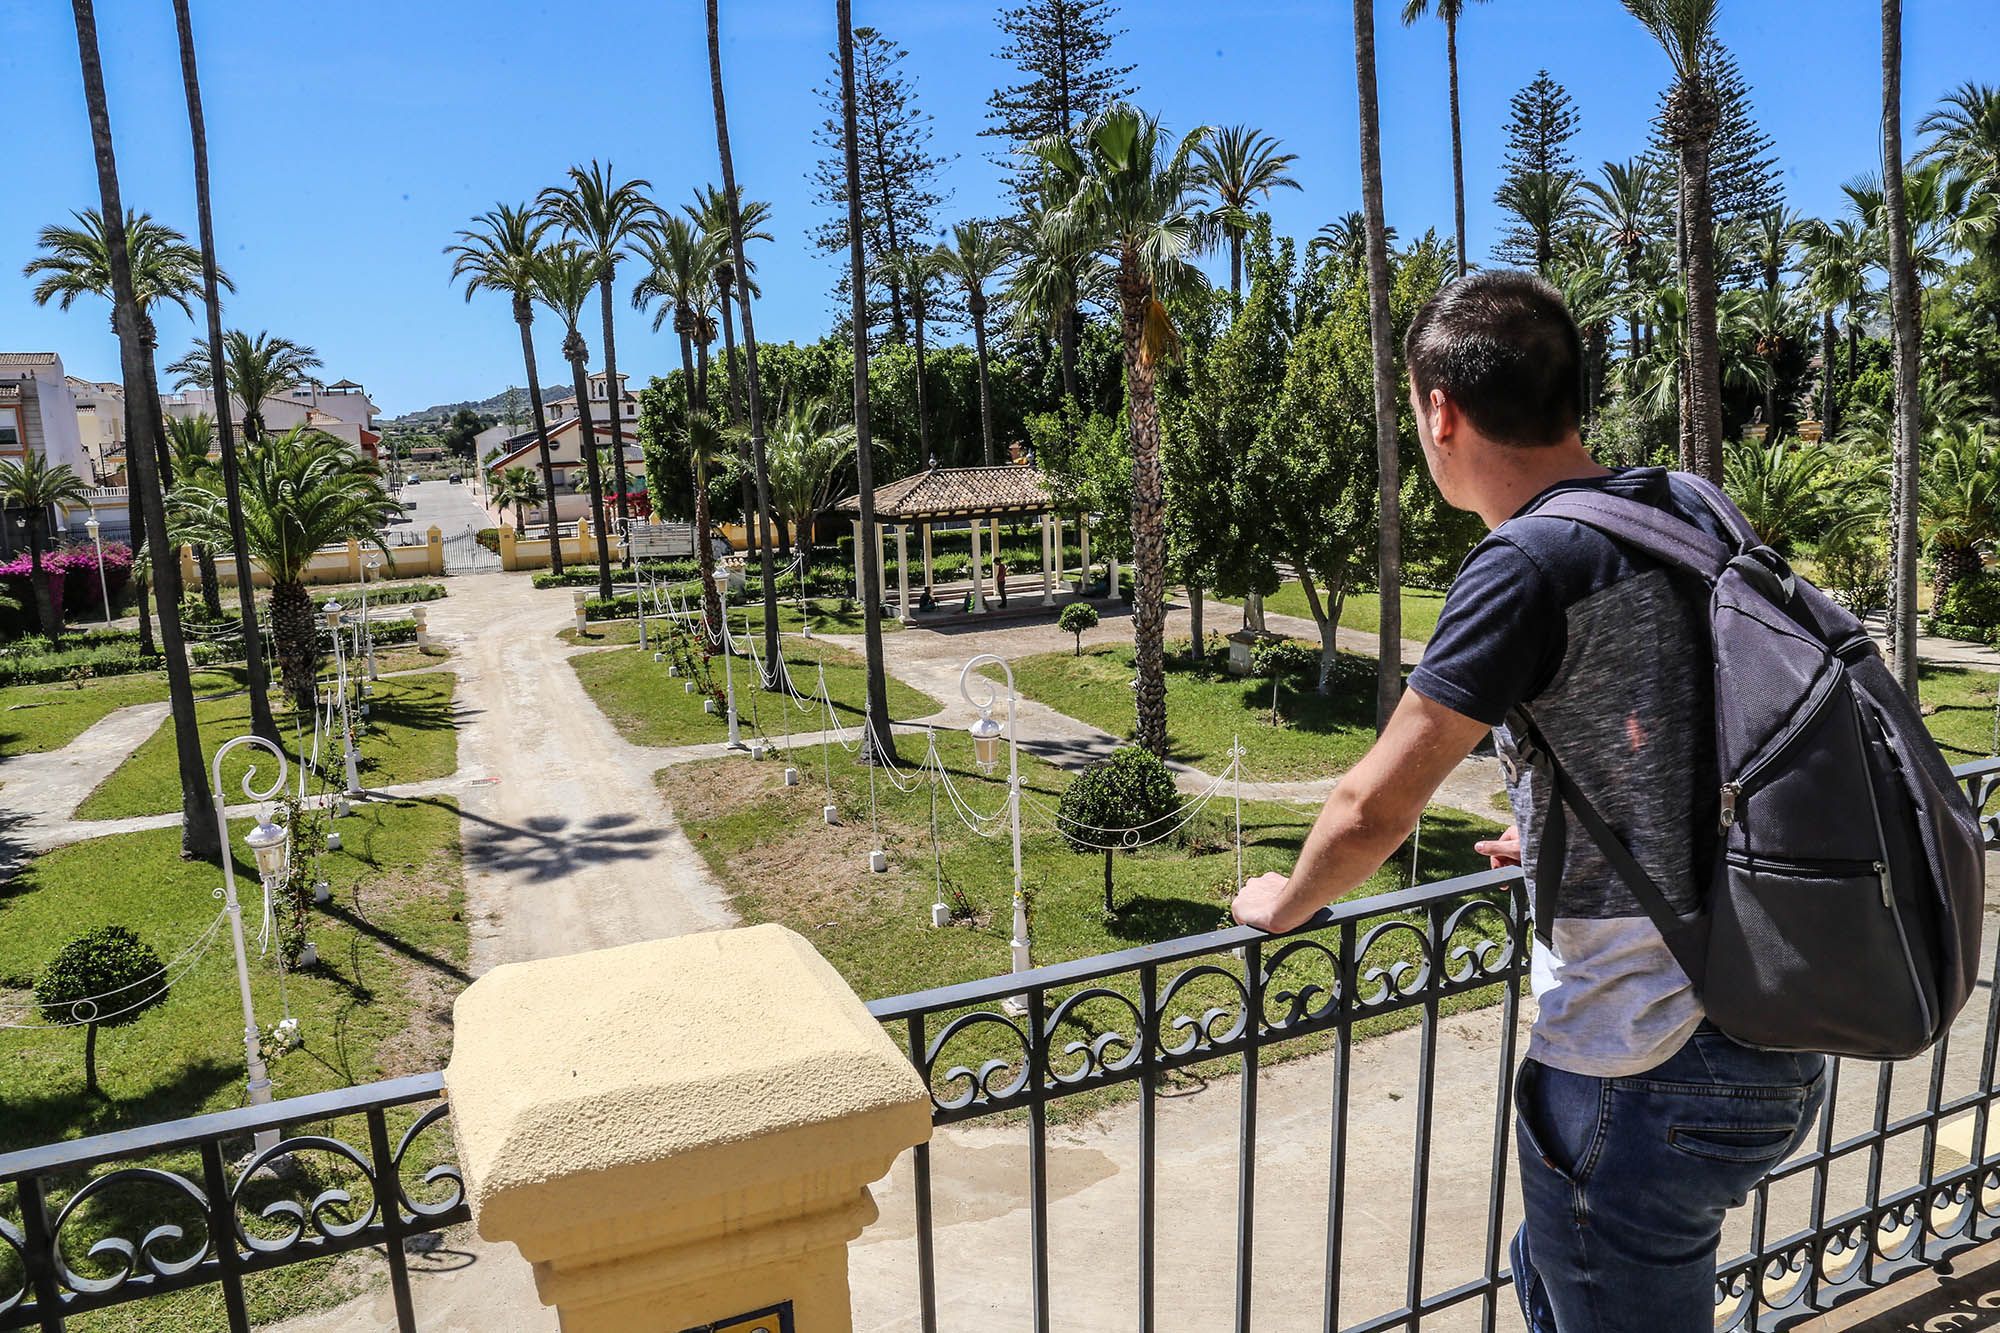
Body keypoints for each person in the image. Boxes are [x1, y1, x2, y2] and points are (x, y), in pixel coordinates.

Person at [1229, 271, 1824, 1333]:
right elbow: (1690, 722)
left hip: (1644, 1056)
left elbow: (1376, 803)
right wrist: (1557, 824)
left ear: (1439, 412)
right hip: (1772, 1015)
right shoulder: (1685, 504)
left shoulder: (1524, 563)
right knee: (1555, 1284)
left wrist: (1285, 900)